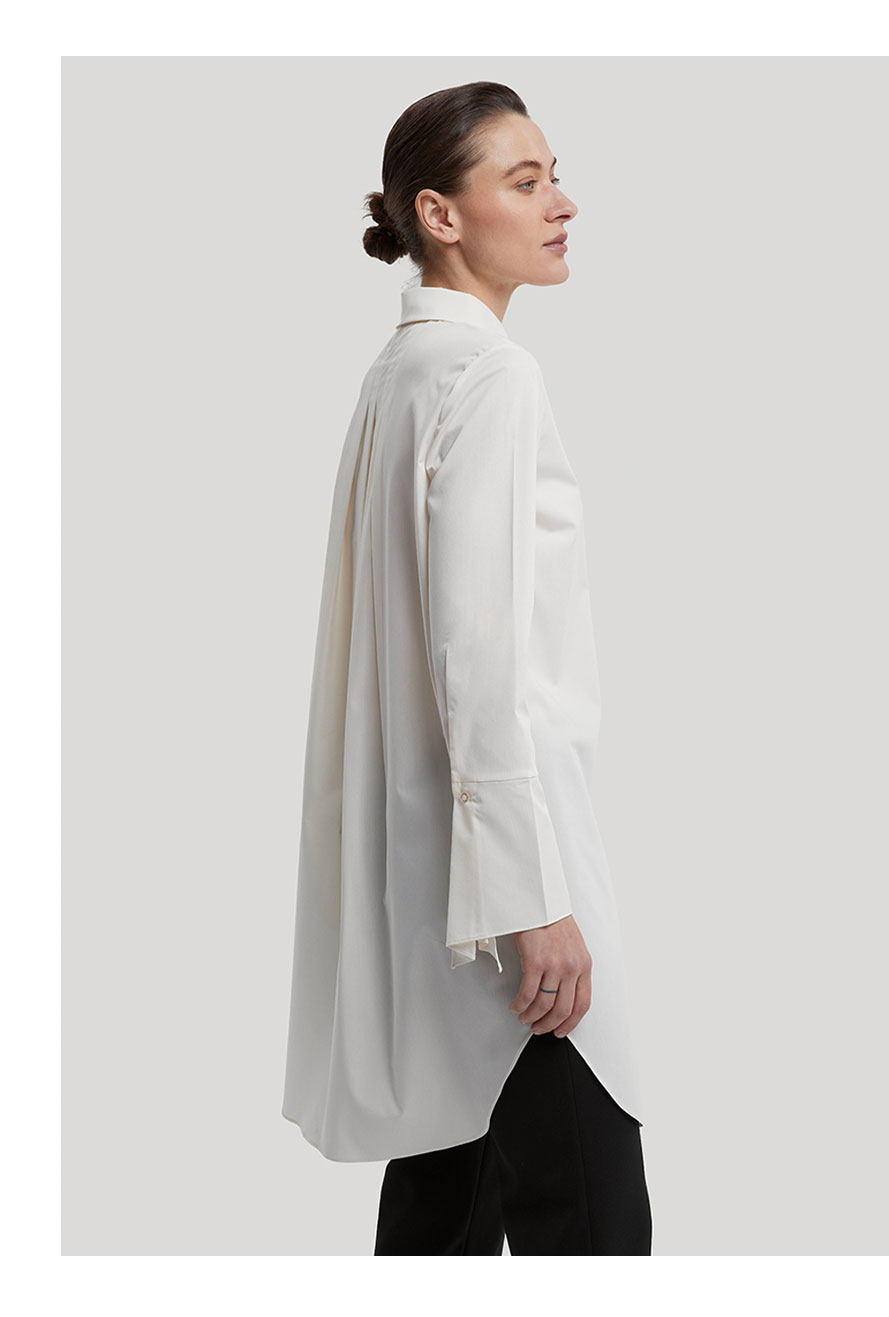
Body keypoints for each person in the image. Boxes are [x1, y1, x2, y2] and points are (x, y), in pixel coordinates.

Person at [281, 80, 652, 1255]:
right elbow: (477, 655)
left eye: (556, 177)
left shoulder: (398, 373)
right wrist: (529, 901)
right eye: (525, 182)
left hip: (425, 883)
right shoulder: (489, 375)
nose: (562, 204)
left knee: (442, 1212)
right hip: (504, 887)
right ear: (439, 215)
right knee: (592, 1223)